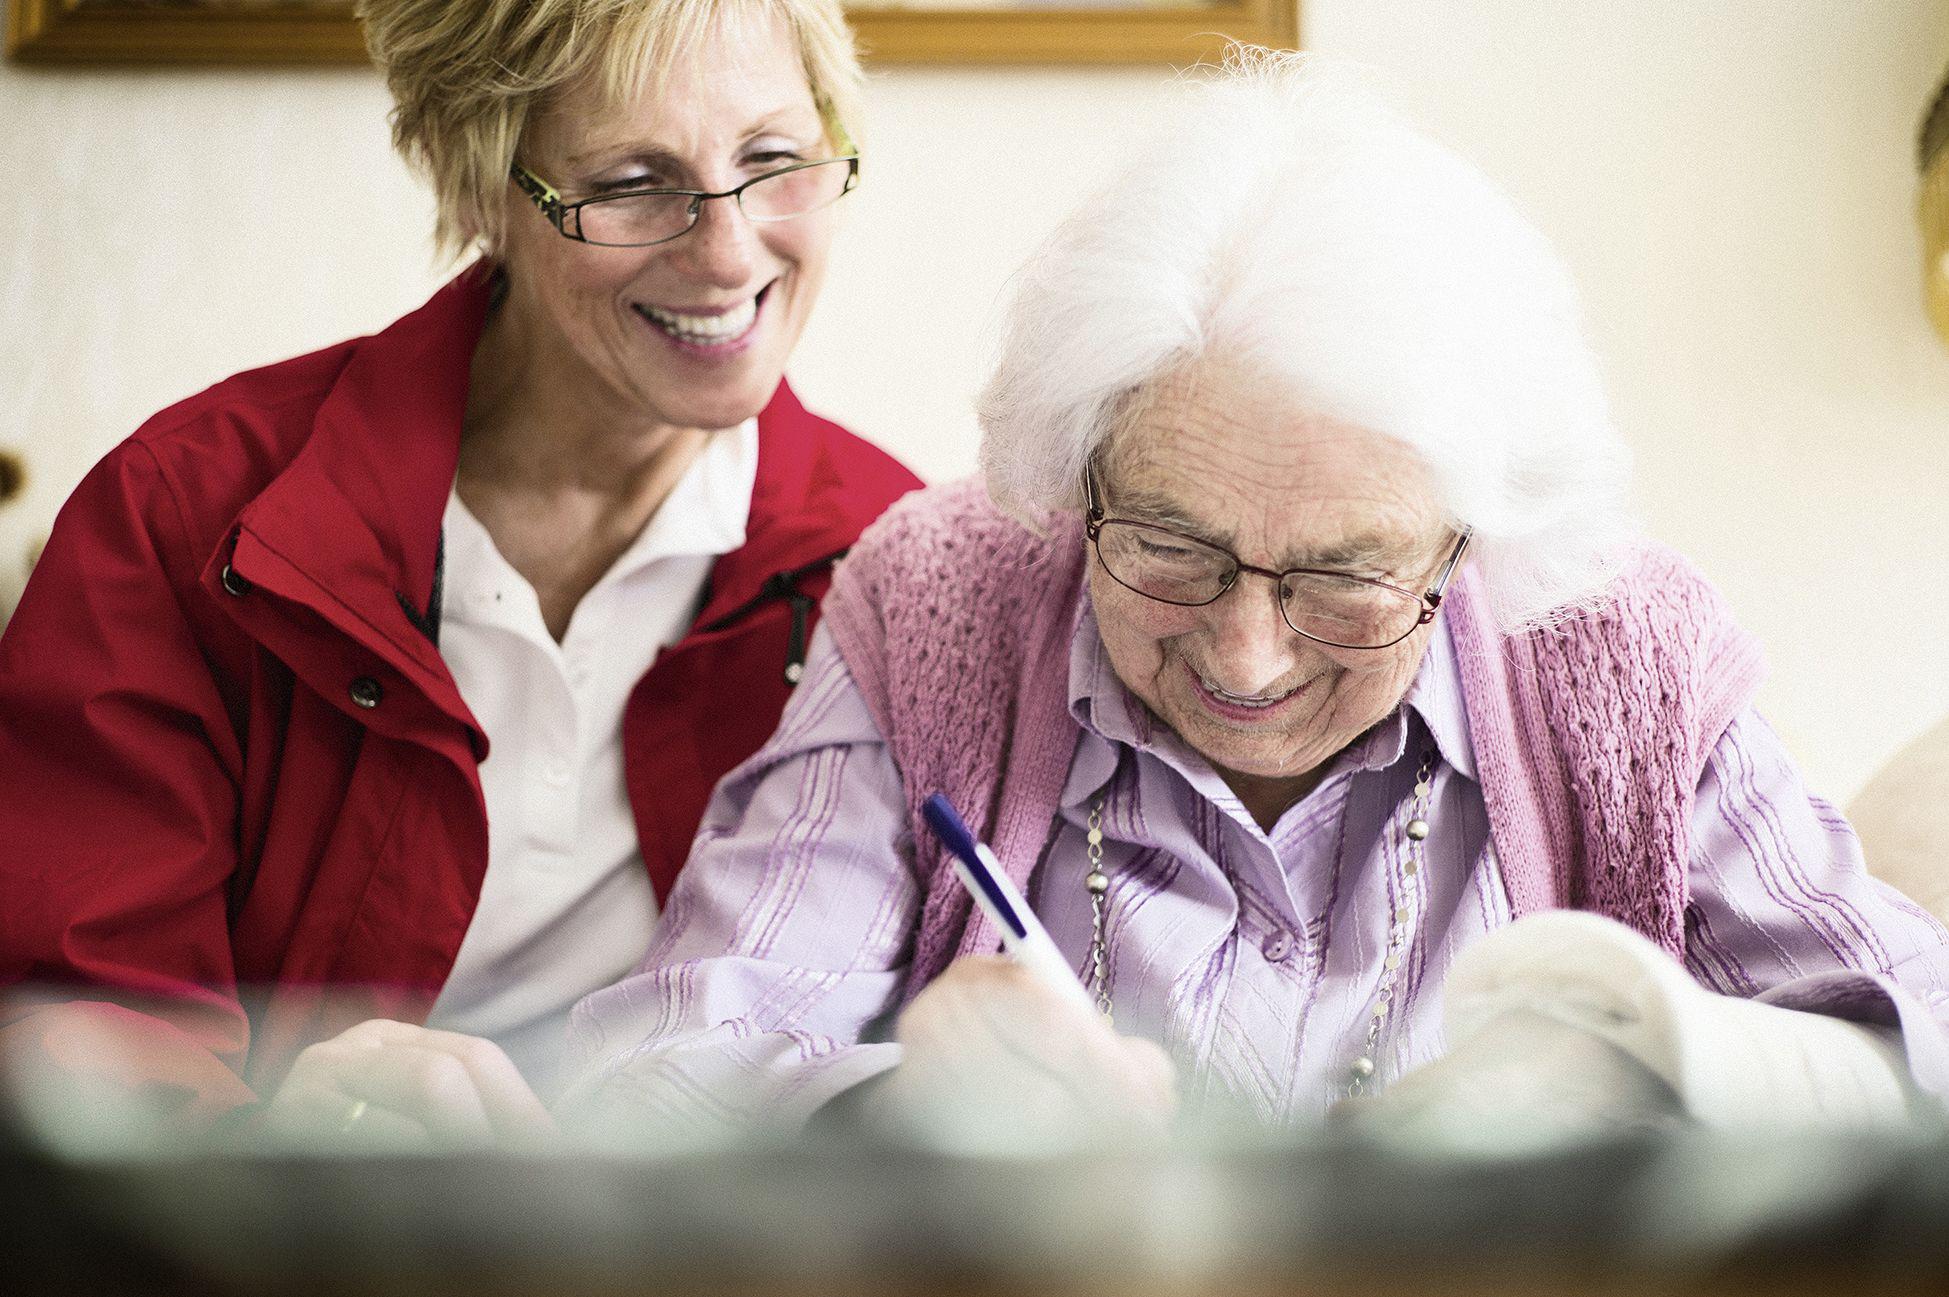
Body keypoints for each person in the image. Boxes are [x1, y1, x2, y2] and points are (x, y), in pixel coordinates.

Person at [560, 50, 1949, 1149]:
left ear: (1468, 543)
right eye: (1169, 547)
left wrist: (1643, 1062)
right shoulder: (949, 601)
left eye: (1346, 577)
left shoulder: (1607, 651)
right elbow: (664, 1077)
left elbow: (1915, 1043)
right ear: (1077, 474)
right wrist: (891, 1109)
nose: (1244, 648)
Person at [0, 0, 918, 1147]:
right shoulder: (186, 520)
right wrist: (279, 1158)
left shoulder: (898, 570)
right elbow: (78, 1031)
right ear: (483, 186)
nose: (727, 250)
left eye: (773, 159)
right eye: (634, 181)